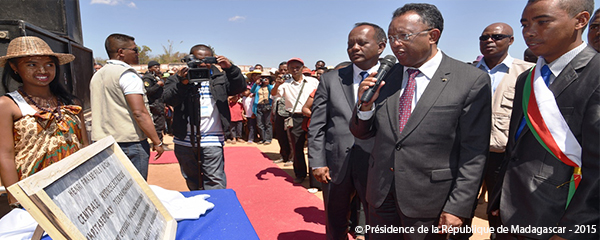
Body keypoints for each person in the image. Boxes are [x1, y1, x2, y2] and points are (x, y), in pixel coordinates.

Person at [350, 4, 491, 240]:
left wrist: (457, 206)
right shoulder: (386, 76)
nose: (395, 44)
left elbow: (474, 152)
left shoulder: (470, 80)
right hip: (381, 196)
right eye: (392, 37)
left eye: (404, 36)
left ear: (433, 36)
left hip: (431, 203)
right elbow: (363, 133)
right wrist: (364, 107)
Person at [488, 0, 599, 239]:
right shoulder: (527, 79)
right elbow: (514, 150)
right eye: (525, 24)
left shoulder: (596, 75)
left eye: (542, 22)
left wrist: (570, 230)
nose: (529, 31)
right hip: (509, 215)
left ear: (580, 21)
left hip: (558, 219)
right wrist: (498, 200)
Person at [308, 22, 386, 240]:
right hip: (335, 163)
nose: (355, 48)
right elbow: (317, 124)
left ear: (381, 46)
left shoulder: (394, 78)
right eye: (350, 44)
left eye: (362, 43)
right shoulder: (331, 79)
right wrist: (317, 161)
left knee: (377, 220)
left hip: (375, 162)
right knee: (335, 219)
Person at [0, 36, 90, 207]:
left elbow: (84, 144)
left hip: (75, 187)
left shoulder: (71, 103)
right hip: (34, 192)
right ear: (14, 67)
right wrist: (15, 199)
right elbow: (5, 155)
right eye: (31, 64)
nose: (43, 70)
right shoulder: (7, 105)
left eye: (49, 64)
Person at [474, 22, 534, 240]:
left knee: (499, 212)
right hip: (468, 155)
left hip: (504, 158)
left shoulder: (526, 73)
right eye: (484, 37)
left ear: (511, 40)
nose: (489, 41)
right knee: (459, 209)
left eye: (497, 37)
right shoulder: (468, 73)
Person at [163, 44, 245, 190]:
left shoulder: (221, 77)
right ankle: (199, 207)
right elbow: (169, 99)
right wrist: (183, 83)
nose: (202, 64)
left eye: (207, 60)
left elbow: (239, 87)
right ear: (189, 59)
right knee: (192, 179)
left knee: (215, 180)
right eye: (198, 60)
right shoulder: (177, 78)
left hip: (212, 138)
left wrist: (230, 68)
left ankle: (217, 209)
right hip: (184, 140)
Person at [90, 33, 164, 180]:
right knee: (137, 192)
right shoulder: (128, 75)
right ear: (121, 52)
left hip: (102, 143)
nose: (138, 54)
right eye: (135, 50)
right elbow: (140, 113)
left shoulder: (98, 75)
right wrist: (157, 141)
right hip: (130, 145)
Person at [271, 58, 319, 183]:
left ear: (303, 67)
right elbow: (274, 95)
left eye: (297, 66)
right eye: (292, 67)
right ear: (288, 69)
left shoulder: (313, 82)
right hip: (295, 117)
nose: (295, 69)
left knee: (314, 147)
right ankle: (300, 174)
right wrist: (276, 84)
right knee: (297, 148)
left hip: (311, 116)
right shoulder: (285, 84)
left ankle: (315, 178)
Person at [272, 62, 292, 164]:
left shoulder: (293, 82)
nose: (283, 72)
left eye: (285, 70)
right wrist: (277, 84)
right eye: (281, 70)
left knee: (290, 137)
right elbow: (273, 95)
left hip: (290, 112)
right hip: (278, 111)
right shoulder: (278, 82)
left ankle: (291, 158)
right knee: (280, 136)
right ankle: (283, 156)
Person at [142, 60, 166, 141]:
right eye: (155, 67)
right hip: (154, 104)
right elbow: (148, 91)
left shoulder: (157, 77)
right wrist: (157, 85)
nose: (158, 69)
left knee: (160, 123)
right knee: (158, 124)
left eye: (158, 67)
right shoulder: (147, 78)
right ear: (150, 68)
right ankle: (158, 142)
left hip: (160, 102)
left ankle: (159, 141)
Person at [250, 72, 274, 145]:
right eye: (263, 78)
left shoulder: (270, 86)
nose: (264, 79)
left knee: (268, 123)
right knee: (260, 124)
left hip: (267, 105)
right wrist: (256, 83)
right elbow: (252, 91)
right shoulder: (258, 87)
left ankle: (268, 139)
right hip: (259, 106)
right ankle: (263, 138)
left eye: (267, 78)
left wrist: (268, 84)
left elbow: (272, 92)